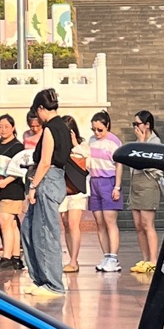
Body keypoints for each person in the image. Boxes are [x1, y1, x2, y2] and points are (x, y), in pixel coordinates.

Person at [21, 88, 70, 297]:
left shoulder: (51, 128)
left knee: (45, 232)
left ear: (41, 108)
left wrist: (33, 187)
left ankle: (53, 284)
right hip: (53, 180)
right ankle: (40, 278)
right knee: (29, 229)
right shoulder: (64, 127)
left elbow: (45, 161)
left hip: (48, 180)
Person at [86, 111, 125, 272]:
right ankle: (106, 255)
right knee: (99, 221)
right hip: (94, 181)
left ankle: (113, 257)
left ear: (107, 126)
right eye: (94, 129)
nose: (96, 133)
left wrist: (117, 186)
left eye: (100, 129)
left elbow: (119, 165)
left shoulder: (113, 142)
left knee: (110, 221)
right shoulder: (92, 140)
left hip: (108, 181)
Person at [126, 110, 164, 273]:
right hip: (136, 184)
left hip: (149, 182)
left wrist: (141, 142)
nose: (135, 127)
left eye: (138, 124)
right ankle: (145, 258)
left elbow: (145, 161)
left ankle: (154, 260)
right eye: (133, 124)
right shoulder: (138, 141)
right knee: (138, 224)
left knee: (147, 223)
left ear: (147, 125)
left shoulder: (155, 142)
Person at [0, 115, 27, 271]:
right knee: (10, 224)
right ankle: (16, 257)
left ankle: (7, 258)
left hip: (12, 189)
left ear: (13, 127)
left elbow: (20, 169)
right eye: (0, 126)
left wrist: (6, 181)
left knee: (5, 220)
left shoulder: (18, 147)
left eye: (6, 126)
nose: (3, 129)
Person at [59, 114, 89, 273]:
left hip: (78, 189)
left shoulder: (82, 144)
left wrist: (74, 144)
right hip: (63, 188)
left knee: (73, 223)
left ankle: (74, 260)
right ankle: (71, 259)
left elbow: (86, 160)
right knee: (65, 223)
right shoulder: (58, 145)